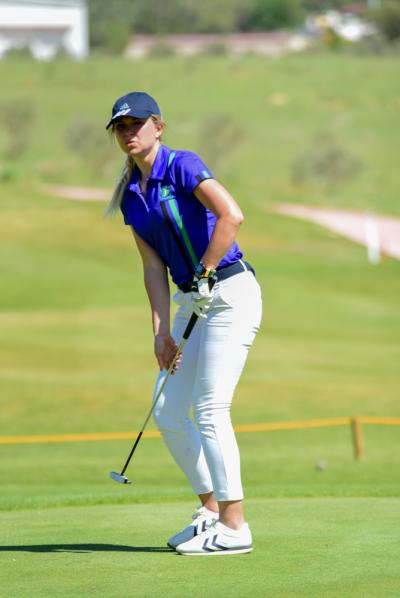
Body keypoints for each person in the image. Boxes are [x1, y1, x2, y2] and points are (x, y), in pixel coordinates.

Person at [105, 91, 262, 556]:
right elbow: (153, 268)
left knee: (210, 408)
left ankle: (234, 526)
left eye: (136, 124)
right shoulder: (131, 196)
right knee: (169, 411)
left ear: (158, 126)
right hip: (191, 301)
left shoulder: (182, 165)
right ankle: (211, 510)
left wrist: (207, 270)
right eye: (120, 127)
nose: (128, 133)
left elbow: (232, 215)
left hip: (230, 292)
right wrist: (161, 331)